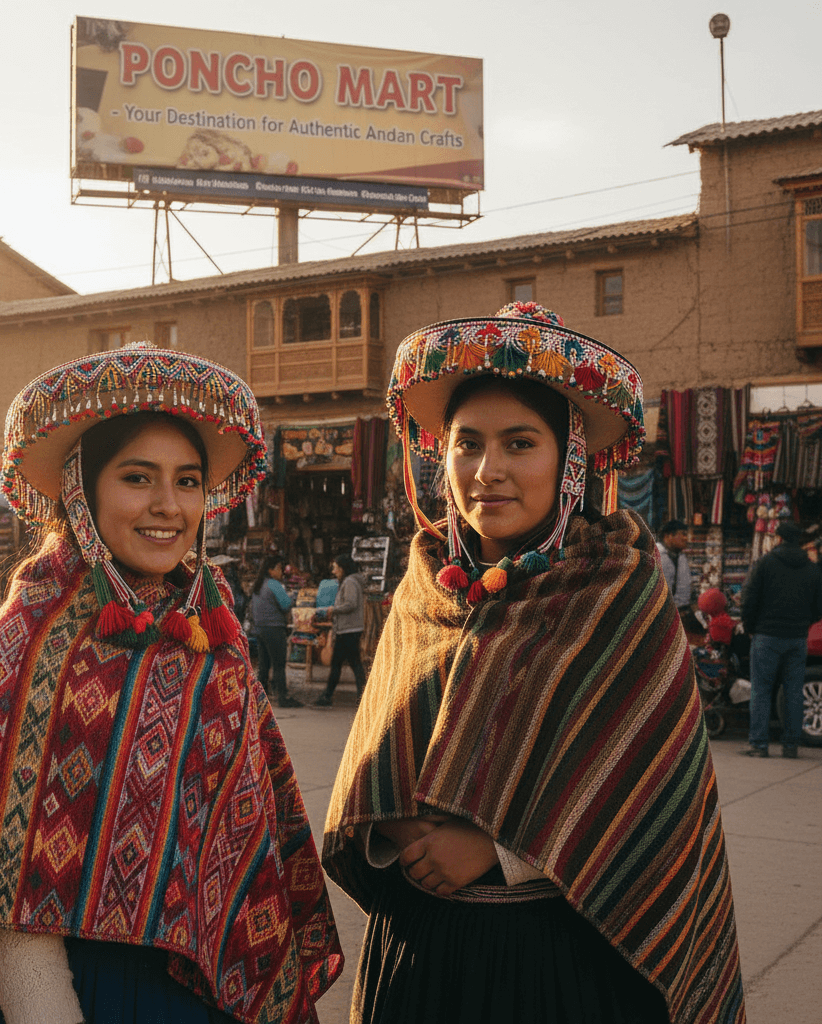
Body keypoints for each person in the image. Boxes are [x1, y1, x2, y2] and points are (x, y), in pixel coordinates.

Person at [0, 344, 342, 1024]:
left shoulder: (211, 638)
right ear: (83, 489)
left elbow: (249, 839)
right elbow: (0, 894)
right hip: (68, 998)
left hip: (195, 990)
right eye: (139, 478)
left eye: (189, 481)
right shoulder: (29, 639)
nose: (169, 506)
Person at [323, 303, 745, 1024]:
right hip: (417, 952)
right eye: (468, 444)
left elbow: (650, 801)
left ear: (568, 458)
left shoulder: (619, 594)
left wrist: (494, 848)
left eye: (520, 443)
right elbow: (374, 762)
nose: (489, 471)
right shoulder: (425, 590)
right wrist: (390, 827)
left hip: (554, 964)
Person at [740, 519, 822, 758]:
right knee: (794, 691)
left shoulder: (765, 564)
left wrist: (750, 626)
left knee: (762, 690)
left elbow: (749, 598)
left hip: (766, 635)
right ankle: (790, 745)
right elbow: (819, 607)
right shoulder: (811, 568)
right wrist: (803, 624)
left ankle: (759, 744)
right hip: (797, 638)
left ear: (778, 538)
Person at [249, 555, 302, 707]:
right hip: (274, 628)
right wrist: (294, 596)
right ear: (271, 570)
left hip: (260, 629)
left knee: (264, 664)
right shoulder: (274, 585)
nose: (281, 571)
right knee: (279, 664)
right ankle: (283, 697)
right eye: (278, 568)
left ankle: (260, 698)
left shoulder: (258, 585)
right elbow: (286, 605)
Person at [314, 554, 366, 706]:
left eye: (336, 568)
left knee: (340, 664)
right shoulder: (350, 581)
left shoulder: (350, 582)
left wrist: (333, 609)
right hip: (349, 628)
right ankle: (362, 695)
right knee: (353, 663)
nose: (334, 571)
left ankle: (328, 696)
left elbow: (351, 603)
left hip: (348, 629)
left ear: (343, 568)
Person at [656, 519, 692, 610]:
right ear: (668, 536)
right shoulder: (655, 556)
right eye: (683, 534)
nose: (686, 538)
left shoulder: (680, 557)